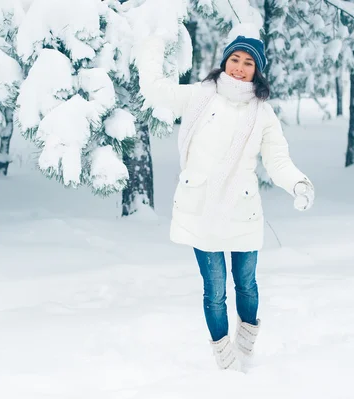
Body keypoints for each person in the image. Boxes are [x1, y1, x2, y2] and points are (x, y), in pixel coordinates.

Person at [135, 34, 315, 371]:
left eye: (249, 63)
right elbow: (154, 89)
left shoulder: (263, 113)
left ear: (257, 71)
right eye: (236, 60)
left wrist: (298, 184)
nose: (239, 68)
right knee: (214, 290)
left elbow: (277, 160)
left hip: (241, 211)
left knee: (246, 283)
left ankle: (246, 346)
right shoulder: (198, 97)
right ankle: (224, 358)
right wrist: (154, 40)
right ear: (225, 61)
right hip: (200, 208)